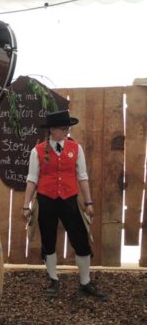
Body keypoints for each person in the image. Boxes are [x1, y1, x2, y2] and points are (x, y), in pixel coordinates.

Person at [22, 110, 108, 300]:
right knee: (49, 241)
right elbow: (32, 179)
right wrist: (26, 205)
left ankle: (85, 282)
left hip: (70, 200)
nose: (66, 131)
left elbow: (83, 177)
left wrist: (89, 202)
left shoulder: (76, 148)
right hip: (46, 201)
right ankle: (54, 280)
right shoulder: (37, 151)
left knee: (81, 241)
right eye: (63, 128)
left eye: (67, 128)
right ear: (52, 130)